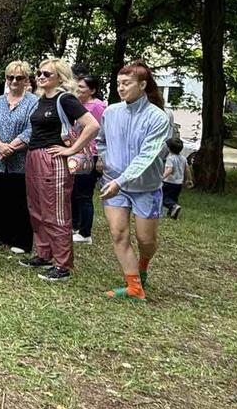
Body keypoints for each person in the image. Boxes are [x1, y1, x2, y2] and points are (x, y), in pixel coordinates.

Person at [18, 58, 100, 282]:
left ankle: (63, 265)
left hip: (52, 159)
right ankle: (44, 254)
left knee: (56, 212)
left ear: (60, 78)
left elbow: (92, 125)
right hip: (33, 156)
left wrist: (72, 149)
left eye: (47, 74)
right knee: (36, 208)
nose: (41, 77)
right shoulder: (40, 99)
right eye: (39, 73)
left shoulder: (65, 99)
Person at [99, 62, 172, 302]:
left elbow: (147, 155)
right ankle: (134, 287)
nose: (121, 88)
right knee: (118, 233)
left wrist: (122, 180)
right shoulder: (111, 112)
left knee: (146, 240)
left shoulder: (158, 117)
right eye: (118, 84)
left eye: (126, 83)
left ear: (142, 85)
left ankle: (143, 264)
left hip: (145, 188)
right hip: (113, 184)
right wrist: (106, 161)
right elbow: (101, 142)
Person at [0, 61, 39, 255]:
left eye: (19, 78)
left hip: (21, 160)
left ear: (26, 80)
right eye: (10, 77)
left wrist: (11, 148)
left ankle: (21, 239)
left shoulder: (33, 102)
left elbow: (32, 129)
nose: (14, 81)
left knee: (19, 200)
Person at [71, 75, 108, 244]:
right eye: (77, 87)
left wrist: (101, 157)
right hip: (77, 154)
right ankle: (76, 225)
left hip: (90, 155)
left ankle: (85, 233)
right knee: (74, 191)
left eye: (82, 88)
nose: (78, 90)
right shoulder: (77, 105)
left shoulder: (98, 106)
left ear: (92, 90)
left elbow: (103, 133)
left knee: (84, 194)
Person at [162, 138, 191, 218]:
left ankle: (173, 206)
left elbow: (169, 170)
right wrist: (189, 179)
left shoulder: (170, 158)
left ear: (169, 148)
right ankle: (172, 213)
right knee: (173, 198)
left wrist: (162, 177)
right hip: (178, 184)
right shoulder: (183, 158)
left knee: (163, 197)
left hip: (168, 182)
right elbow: (187, 170)